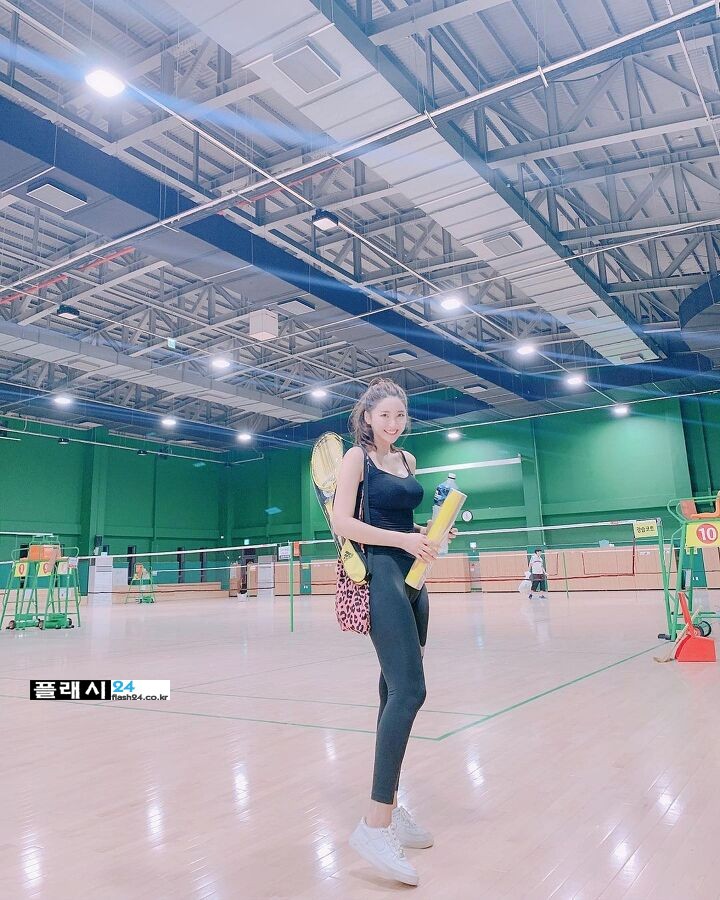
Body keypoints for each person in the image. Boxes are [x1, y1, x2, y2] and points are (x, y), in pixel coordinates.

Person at [332, 378, 453, 887]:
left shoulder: (408, 460)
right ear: (367, 417)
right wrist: (401, 540)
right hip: (379, 572)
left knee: (391, 691)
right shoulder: (355, 459)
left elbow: (406, 521)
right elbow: (342, 522)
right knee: (410, 690)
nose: (393, 424)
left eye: (400, 416)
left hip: (413, 576)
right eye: (384, 415)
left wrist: (428, 534)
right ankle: (374, 824)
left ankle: (392, 804)